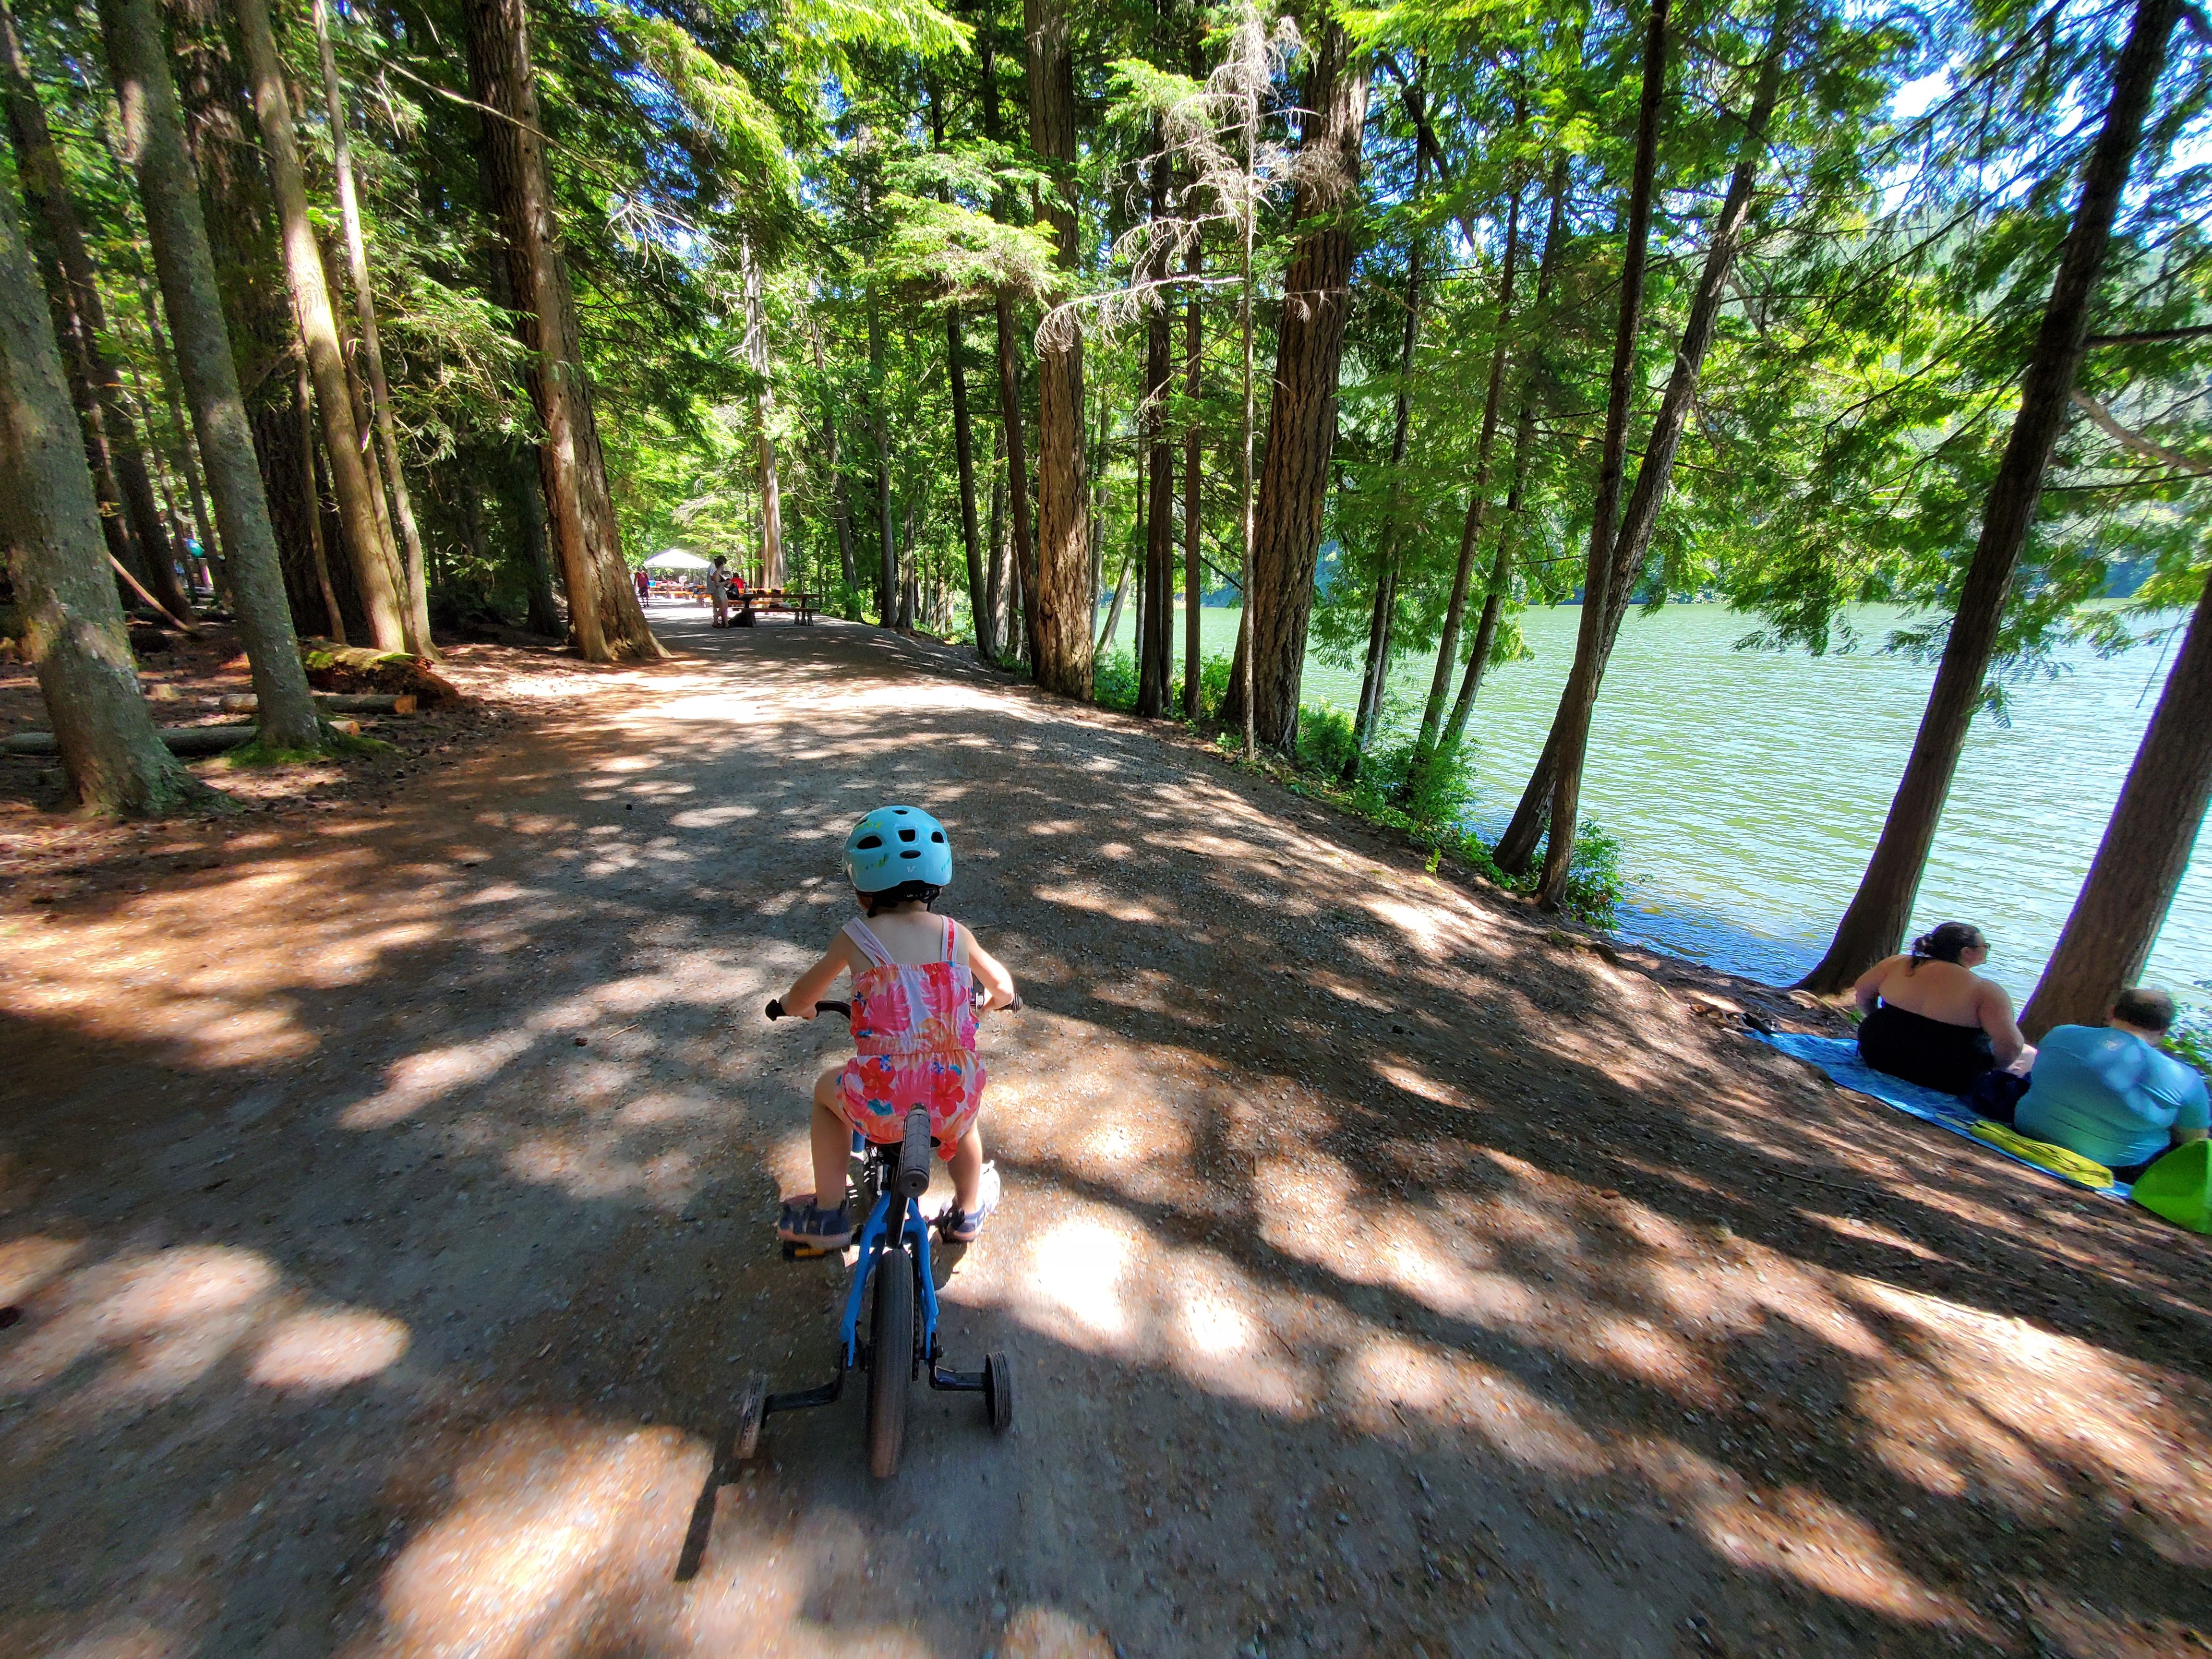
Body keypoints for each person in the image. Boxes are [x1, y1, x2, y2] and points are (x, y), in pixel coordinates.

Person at [774, 805, 1016, 1249]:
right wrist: (993, 1002)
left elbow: (802, 995)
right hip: (949, 1095)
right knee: (964, 1123)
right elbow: (1001, 986)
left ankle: (829, 1216)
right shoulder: (955, 935)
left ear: (863, 891)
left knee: (825, 1096)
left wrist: (795, 1007)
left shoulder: (856, 937)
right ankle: (967, 1213)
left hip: (880, 1097)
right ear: (937, 881)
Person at [2001, 988, 2209, 1180]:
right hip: (2117, 1165)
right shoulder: (2187, 1079)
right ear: (2164, 1031)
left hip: (2029, 1130)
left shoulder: (2061, 1033)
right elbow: (2195, 1143)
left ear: (2111, 1012)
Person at [1852, 921, 2031, 1096]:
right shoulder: (1985, 990)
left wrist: (1876, 1018)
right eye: (1986, 946)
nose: (1988, 949)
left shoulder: (1897, 964)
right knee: (2028, 1055)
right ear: (1967, 952)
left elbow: (1862, 992)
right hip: (1946, 1075)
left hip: (1878, 1053)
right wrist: (1994, 1069)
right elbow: (2012, 1045)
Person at [709, 555, 731, 627]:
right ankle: (716, 619)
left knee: (724, 607)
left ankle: (726, 623)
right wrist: (725, 583)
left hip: (721, 592)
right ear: (722, 564)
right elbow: (717, 584)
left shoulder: (719, 573)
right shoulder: (716, 573)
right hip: (719, 592)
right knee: (723, 607)